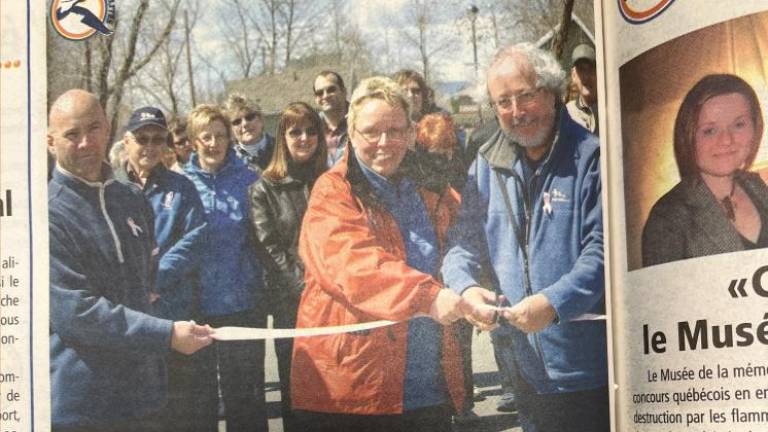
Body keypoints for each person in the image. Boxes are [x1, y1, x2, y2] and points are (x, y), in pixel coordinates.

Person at [290, 77, 495, 432]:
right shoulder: (332, 191)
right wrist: (429, 296)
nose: (384, 143)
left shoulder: (432, 186)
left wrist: (470, 286)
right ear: (350, 133)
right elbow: (353, 266)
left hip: (429, 386)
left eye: (395, 130)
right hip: (355, 390)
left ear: (412, 132)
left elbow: (465, 241)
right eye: (372, 132)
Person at [442, 43, 608, 432]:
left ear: (551, 93)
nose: (516, 112)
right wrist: (466, 288)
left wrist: (554, 302)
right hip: (523, 369)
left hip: (588, 368)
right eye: (503, 102)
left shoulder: (590, 158)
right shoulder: (486, 164)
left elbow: (602, 252)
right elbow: (461, 244)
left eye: (525, 96)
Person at [48, 89, 213, 432]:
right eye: (71, 134)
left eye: (93, 129)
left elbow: (147, 281)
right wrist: (165, 334)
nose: (85, 143)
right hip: (84, 405)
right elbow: (76, 312)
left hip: (142, 397)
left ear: (108, 129)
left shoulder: (130, 199)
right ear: (51, 143)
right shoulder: (48, 214)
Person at [114, 106, 216, 432]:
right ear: (126, 141)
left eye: (158, 139)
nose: (150, 146)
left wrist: (156, 280)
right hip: (131, 315)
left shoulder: (180, 187)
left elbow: (196, 238)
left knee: (184, 409)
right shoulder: (109, 188)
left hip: (175, 310)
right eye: (142, 138)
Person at [182, 104, 267, 432]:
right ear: (193, 141)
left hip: (242, 303)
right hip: (197, 305)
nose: (214, 143)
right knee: (201, 398)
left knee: (245, 396)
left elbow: (262, 240)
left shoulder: (248, 180)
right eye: (206, 137)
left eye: (220, 136)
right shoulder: (181, 182)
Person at [249, 102, 328, 432]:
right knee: (297, 389)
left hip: (333, 300)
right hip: (292, 302)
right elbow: (271, 250)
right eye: (295, 131)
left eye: (311, 131)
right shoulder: (264, 188)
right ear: (282, 137)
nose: (304, 138)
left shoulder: (333, 181)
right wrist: (306, 289)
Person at [642, 74, 768, 267]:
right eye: (710, 130)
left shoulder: (758, 186)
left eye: (739, 124)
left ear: (755, 128)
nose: (726, 140)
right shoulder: (667, 219)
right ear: (689, 136)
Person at [225, 93, 275, 174]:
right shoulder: (227, 162)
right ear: (231, 130)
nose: (245, 124)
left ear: (261, 119)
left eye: (249, 117)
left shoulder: (283, 149)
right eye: (237, 122)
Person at [313, 70, 349, 166]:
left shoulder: (360, 121)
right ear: (315, 99)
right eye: (319, 93)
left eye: (331, 90)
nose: (325, 96)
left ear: (344, 92)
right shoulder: (312, 128)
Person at [565, 44, 599, 135]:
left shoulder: (612, 108)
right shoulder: (568, 114)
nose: (586, 77)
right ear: (573, 75)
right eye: (581, 70)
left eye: (591, 69)